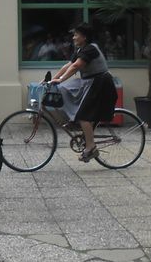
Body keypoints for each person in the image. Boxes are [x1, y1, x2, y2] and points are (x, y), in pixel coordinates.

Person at [49, 23, 118, 163]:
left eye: (76, 35)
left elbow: (76, 66)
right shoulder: (81, 49)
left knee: (84, 115)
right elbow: (69, 65)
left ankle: (91, 147)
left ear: (84, 37)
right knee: (64, 89)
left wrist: (61, 79)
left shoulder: (90, 49)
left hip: (100, 83)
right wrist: (52, 80)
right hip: (90, 83)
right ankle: (76, 122)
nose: (73, 37)